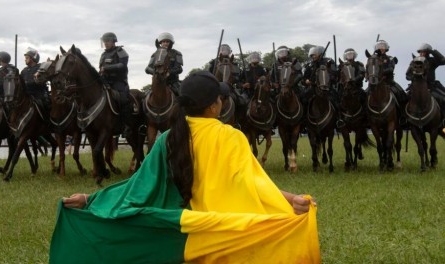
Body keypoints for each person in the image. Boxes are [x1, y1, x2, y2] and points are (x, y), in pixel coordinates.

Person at [51, 70, 320, 263]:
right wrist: (292, 200)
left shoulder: (168, 137)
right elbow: (252, 184)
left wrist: (91, 199)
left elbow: (137, 186)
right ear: (215, 104)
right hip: (221, 235)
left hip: (184, 232)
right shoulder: (231, 136)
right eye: (220, 99)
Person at [406, 43, 445, 125]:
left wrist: (433, 52)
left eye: (423, 52)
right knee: (404, 98)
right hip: (416, 87)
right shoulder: (414, 61)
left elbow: (443, 61)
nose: (421, 53)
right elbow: (407, 75)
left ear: (428, 52)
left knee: (443, 98)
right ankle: (404, 118)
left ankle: (443, 118)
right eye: (420, 52)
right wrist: (414, 78)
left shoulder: (432, 61)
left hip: (431, 86)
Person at [370, 40, 408, 124]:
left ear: (386, 48)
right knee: (365, 95)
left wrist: (380, 71)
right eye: (380, 46)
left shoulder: (390, 58)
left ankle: (403, 116)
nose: (382, 48)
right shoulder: (373, 59)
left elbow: (391, 69)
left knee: (402, 95)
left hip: (389, 83)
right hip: (376, 83)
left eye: (383, 46)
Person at [99, 32, 131, 125]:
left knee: (123, 100)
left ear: (113, 41)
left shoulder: (120, 51)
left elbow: (122, 65)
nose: (106, 43)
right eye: (105, 41)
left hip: (118, 81)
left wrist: (106, 68)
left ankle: (126, 125)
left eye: (108, 41)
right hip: (105, 81)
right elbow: (100, 68)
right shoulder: (103, 55)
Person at [21, 48, 50, 120]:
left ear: (32, 58)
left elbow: (42, 79)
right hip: (27, 95)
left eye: (27, 58)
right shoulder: (24, 70)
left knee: (44, 105)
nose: (25, 59)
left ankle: (48, 122)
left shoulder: (40, 67)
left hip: (38, 94)